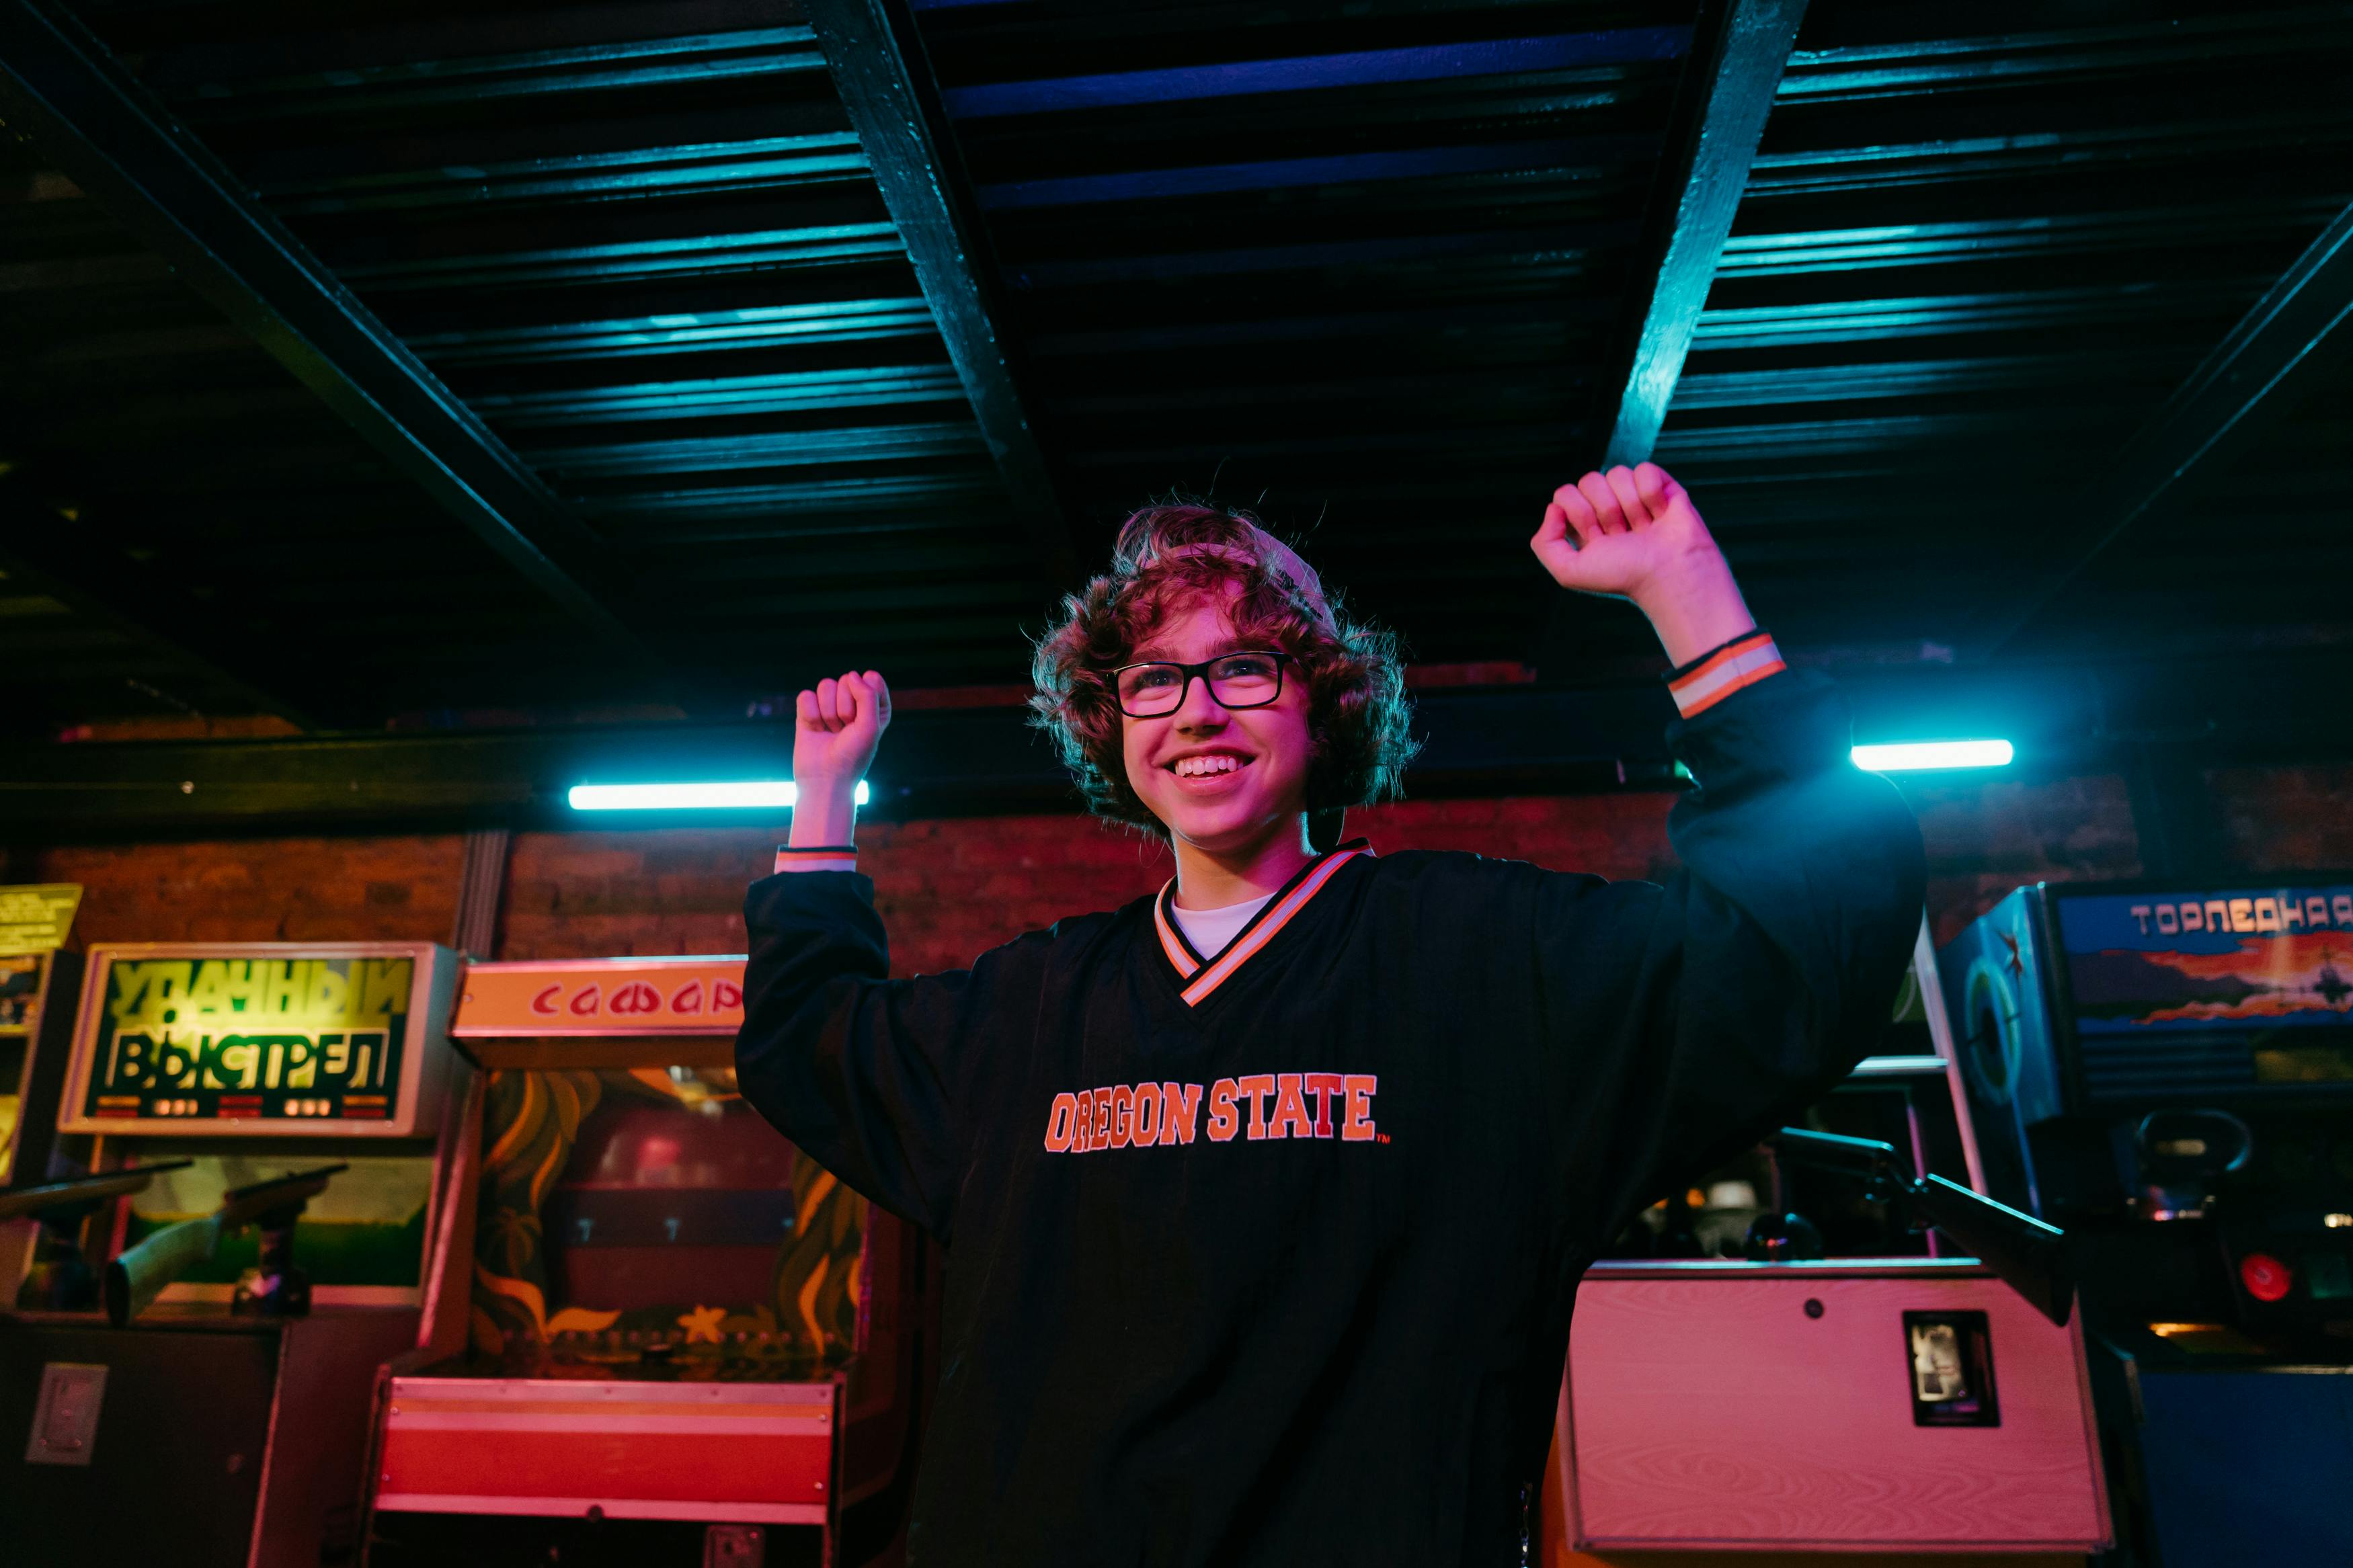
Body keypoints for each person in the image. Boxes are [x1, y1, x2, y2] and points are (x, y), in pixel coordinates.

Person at [736, 462, 1926, 1566]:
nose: (1196, 709)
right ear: (1117, 726)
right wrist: (825, 797)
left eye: (1245, 665)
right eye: (1155, 676)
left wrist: (1687, 591)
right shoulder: (1031, 1006)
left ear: (1328, 700)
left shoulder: (1486, 959)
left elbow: (1800, 952)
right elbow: (804, 1043)